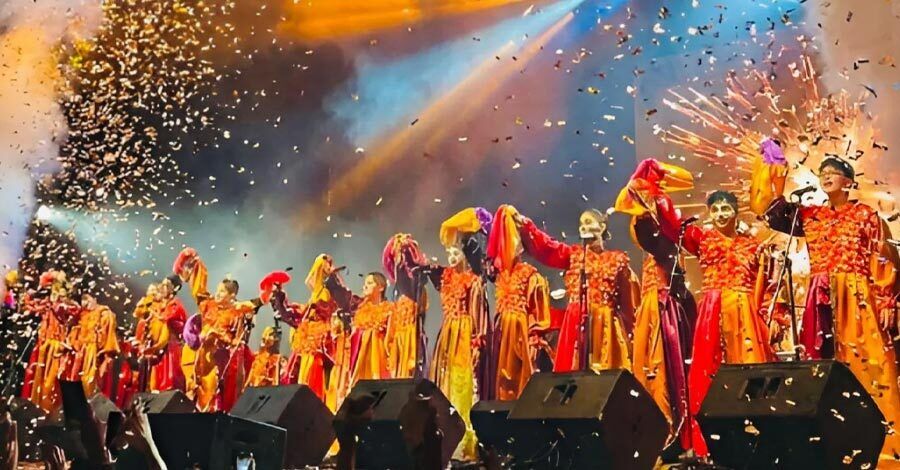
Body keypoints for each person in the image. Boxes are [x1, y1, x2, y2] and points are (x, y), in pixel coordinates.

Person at [751, 146, 900, 458]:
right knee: (822, 369)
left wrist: (887, 300)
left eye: (833, 171)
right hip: (819, 299)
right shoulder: (810, 216)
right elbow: (768, 209)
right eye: (822, 172)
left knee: (864, 365)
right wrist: (771, 170)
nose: (825, 175)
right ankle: (827, 446)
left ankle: (880, 445)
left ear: (848, 180)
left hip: (856, 297)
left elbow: (884, 258)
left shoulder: (865, 215)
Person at [614, 159, 697, 447]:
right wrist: (642, 181)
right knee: (648, 367)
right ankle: (652, 432)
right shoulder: (647, 236)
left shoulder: (669, 238)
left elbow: (655, 233)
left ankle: (672, 430)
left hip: (666, 308)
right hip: (650, 309)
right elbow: (635, 215)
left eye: (652, 198)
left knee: (665, 366)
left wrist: (655, 196)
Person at [519, 208, 637, 373]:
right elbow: (549, 248)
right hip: (576, 324)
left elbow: (627, 306)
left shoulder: (618, 261)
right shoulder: (573, 255)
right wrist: (526, 225)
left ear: (602, 227)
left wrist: (632, 340)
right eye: (581, 224)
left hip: (605, 328)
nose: (583, 227)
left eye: (588, 222)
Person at [424, 207, 492, 461]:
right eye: (449, 253)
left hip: (464, 333)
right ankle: (441, 439)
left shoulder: (474, 281)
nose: (451, 257)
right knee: (444, 384)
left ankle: (465, 443)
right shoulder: (445, 280)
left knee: (463, 385)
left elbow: (479, 314)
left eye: (456, 252)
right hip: (447, 337)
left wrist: (477, 341)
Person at [174, 248, 262, 412]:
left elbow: (237, 338)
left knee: (215, 393)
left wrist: (218, 336)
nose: (217, 293)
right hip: (203, 356)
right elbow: (199, 290)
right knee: (200, 390)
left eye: (222, 291)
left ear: (232, 295)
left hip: (222, 359)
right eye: (218, 290)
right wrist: (197, 265)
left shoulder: (237, 312)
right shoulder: (208, 305)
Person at [487, 205, 552, 400]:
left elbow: (539, 311)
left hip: (520, 334)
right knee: (503, 383)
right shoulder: (500, 276)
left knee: (521, 382)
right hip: (501, 334)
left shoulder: (530, 275)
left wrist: (534, 337)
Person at [268, 259, 337, 403]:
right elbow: (297, 316)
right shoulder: (315, 295)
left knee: (310, 378)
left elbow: (320, 313)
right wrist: (280, 297)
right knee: (301, 378)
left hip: (317, 344)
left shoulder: (324, 293)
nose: (309, 279)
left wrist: (302, 310)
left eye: (314, 274)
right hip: (307, 343)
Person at [21, 271, 80, 412]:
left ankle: (49, 411)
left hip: (56, 347)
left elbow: (71, 310)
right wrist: (31, 294)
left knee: (50, 382)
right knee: (37, 378)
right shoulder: (47, 304)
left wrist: (56, 301)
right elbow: (29, 306)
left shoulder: (66, 306)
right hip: (43, 345)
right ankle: (35, 409)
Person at [383, 234, 430, 379]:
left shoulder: (415, 283)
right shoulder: (398, 295)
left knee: (410, 370)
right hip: (399, 332)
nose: (399, 260)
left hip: (411, 331)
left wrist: (405, 252)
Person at [140, 276, 187, 392]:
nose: (162, 287)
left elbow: (165, 318)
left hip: (170, 347)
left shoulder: (175, 305)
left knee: (169, 382)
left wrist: (151, 310)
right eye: (162, 284)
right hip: (159, 348)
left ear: (174, 288)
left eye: (166, 285)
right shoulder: (160, 304)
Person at [69, 293, 119, 397]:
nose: (85, 303)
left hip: (93, 351)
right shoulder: (83, 314)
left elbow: (108, 334)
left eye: (87, 299)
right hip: (81, 351)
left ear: (95, 299)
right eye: (83, 300)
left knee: (90, 381)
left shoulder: (104, 313)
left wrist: (105, 352)